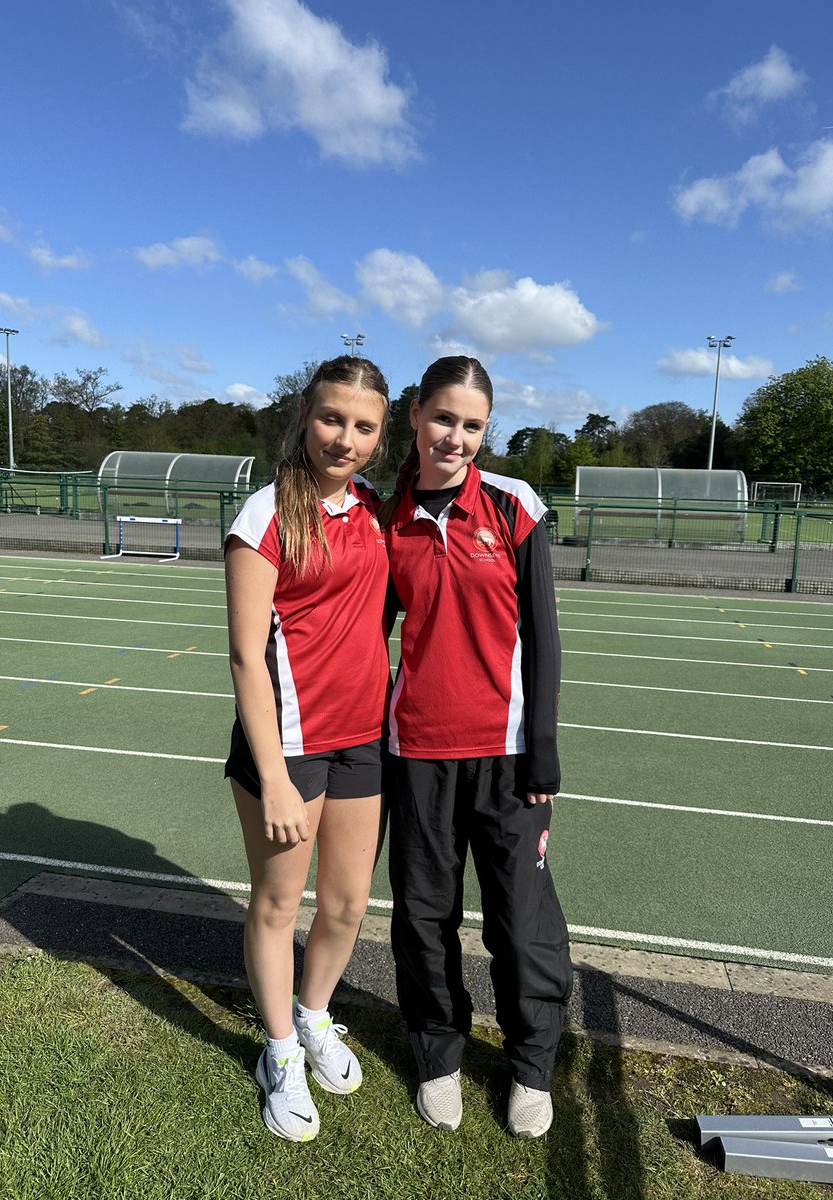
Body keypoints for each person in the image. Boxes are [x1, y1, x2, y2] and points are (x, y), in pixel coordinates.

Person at [381, 355, 572, 1139]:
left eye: (472, 425)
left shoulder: (512, 504)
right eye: (443, 418)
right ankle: (439, 1055)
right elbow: (364, 630)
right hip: (416, 753)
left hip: (508, 756)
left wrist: (545, 750)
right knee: (423, 919)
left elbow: (544, 633)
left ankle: (531, 1064)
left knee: (519, 921)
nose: (455, 437)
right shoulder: (381, 514)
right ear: (415, 413)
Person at [224, 356, 390, 1143]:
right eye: (332, 419)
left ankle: (314, 1016)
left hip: (363, 739)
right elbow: (245, 655)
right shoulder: (264, 513)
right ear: (304, 414)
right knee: (278, 902)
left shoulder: (377, 512)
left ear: (381, 435)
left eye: (363, 427)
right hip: (285, 747)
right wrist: (273, 778)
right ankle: (279, 1054)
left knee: (349, 903)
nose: (345, 439)